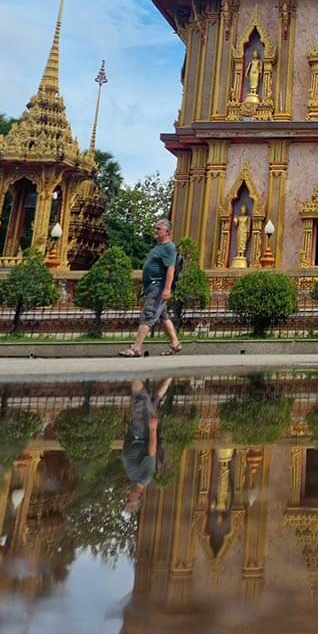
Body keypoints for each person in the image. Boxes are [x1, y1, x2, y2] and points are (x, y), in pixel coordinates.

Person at [119, 219, 182, 357]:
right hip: (152, 286)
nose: (156, 231)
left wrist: (167, 289)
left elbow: (170, 269)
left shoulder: (169, 247)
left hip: (158, 286)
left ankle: (136, 347)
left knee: (148, 314)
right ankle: (175, 343)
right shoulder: (158, 247)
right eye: (155, 228)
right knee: (163, 316)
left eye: (158, 229)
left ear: (167, 232)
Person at [122, 376, 172, 514]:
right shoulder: (145, 477)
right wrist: (153, 429)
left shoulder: (133, 477)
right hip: (143, 431)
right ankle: (135, 370)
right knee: (140, 399)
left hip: (136, 432)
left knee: (154, 400)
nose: (127, 497)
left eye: (127, 500)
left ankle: (170, 373)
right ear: (138, 497)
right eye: (129, 500)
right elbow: (152, 452)